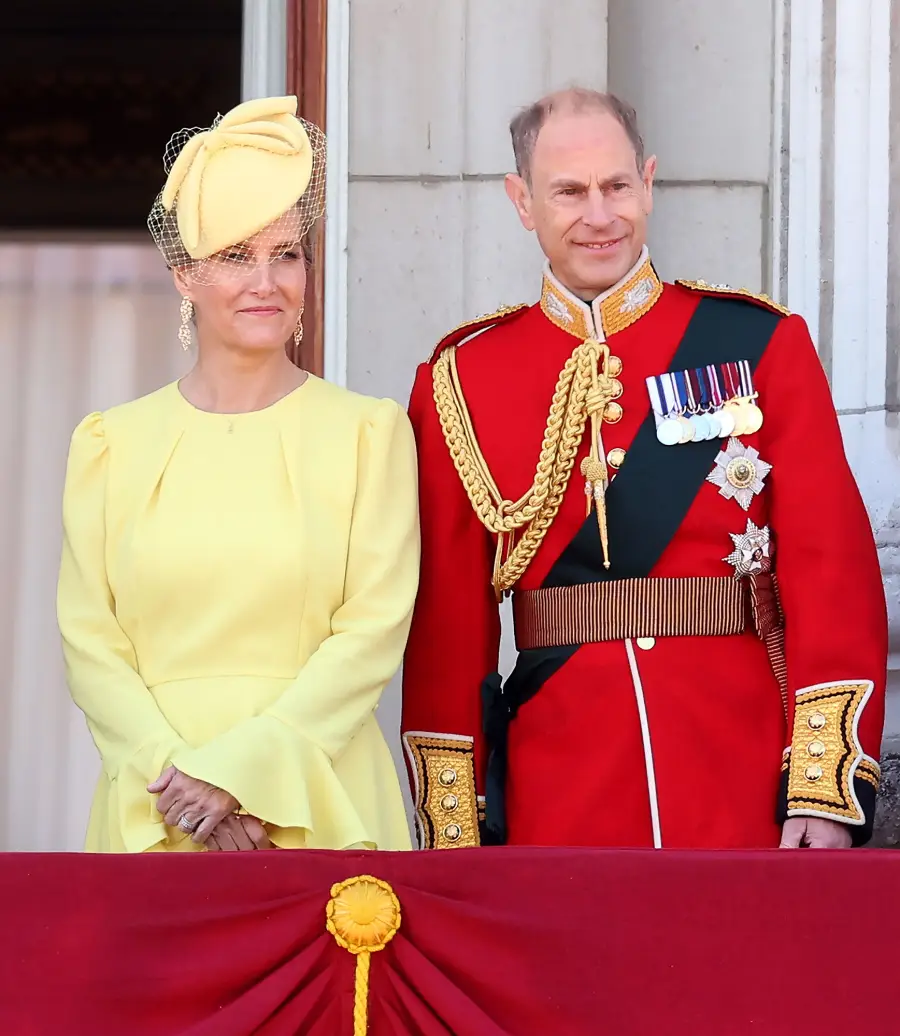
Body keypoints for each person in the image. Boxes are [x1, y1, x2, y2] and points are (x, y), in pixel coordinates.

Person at [401, 88, 887, 851]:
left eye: (617, 186)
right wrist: (457, 838)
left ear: (649, 183)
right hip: (560, 796)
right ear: (522, 201)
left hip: (742, 775)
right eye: (569, 191)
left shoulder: (757, 343)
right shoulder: (463, 378)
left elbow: (833, 576)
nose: (600, 215)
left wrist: (822, 789)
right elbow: (446, 635)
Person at [58, 96, 419, 853]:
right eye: (235, 255)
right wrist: (187, 792)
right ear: (184, 274)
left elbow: (372, 632)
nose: (267, 281)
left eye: (286, 253)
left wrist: (247, 778)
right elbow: (91, 647)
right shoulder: (109, 445)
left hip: (319, 803)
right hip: (153, 816)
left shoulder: (368, 434)